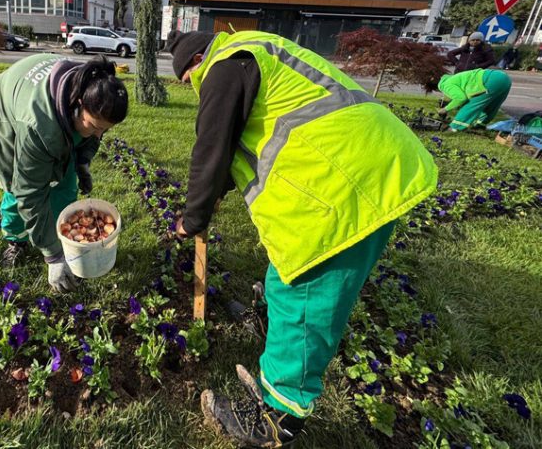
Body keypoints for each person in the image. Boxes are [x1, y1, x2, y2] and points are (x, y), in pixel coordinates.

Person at [166, 29, 437, 447]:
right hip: (373, 164)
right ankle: (271, 323)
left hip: (339, 185)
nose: (191, 89)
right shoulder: (255, 49)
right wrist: (212, 199)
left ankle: (280, 415)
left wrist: (192, 218)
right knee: (285, 269)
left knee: (306, 297)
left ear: (197, 60)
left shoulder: (222, 69)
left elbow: (211, 150)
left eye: (188, 80)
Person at [0, 54, 128, 292]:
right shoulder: (38, 125)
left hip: (49, 110)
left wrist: (82, 164)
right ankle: (16, 239)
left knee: (65, 183)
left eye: (105, 130)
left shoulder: (94, 85)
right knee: (17, 188)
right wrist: (53, 258)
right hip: (3, 114)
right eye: (95, 127)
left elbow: (88, 135)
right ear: (77, 104)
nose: (99, 135)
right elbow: (29, 193)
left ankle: (60, 238)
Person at [437, 68, 512, 132]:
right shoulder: (454, 78)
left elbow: (461, 98)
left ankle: (454, 127)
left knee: (472, 105)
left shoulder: (444, 84)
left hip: (489, 80)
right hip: (504, 78)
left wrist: (445, 109)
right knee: (492, 105)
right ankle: (480, 124)